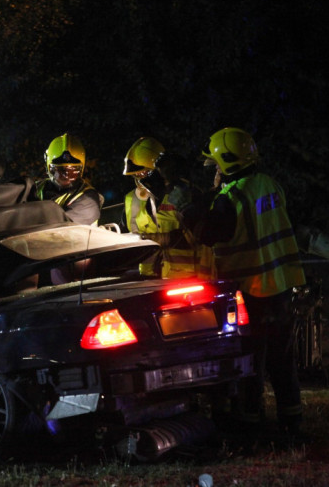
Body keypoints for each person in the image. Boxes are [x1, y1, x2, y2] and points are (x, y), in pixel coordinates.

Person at [177, 127, 307, 436]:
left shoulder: (230, 197)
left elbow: (208, 236)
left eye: (215, 164)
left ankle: (250, 424)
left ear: (224, 163)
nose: (214, 169)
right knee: (282, 359)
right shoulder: (269, 184)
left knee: (250, 361)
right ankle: (292, 421)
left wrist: (191, 212)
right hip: (281, 285)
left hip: (250, 290)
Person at [122, 137, 204, 279]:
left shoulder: (185, 194)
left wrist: (157, 239)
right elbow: (125, 233)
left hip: (186, 278)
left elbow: (199, 235)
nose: (140, 179)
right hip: (148, 279)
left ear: (161, 168)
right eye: (136, 175)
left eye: (143, 173)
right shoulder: (131, 199)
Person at [34, 133, 103, 225]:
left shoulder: (89, 199)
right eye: (60, 170)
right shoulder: (35, 187)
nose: (66, 175)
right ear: (48, 168)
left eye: (73, 171)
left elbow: (63, 226)